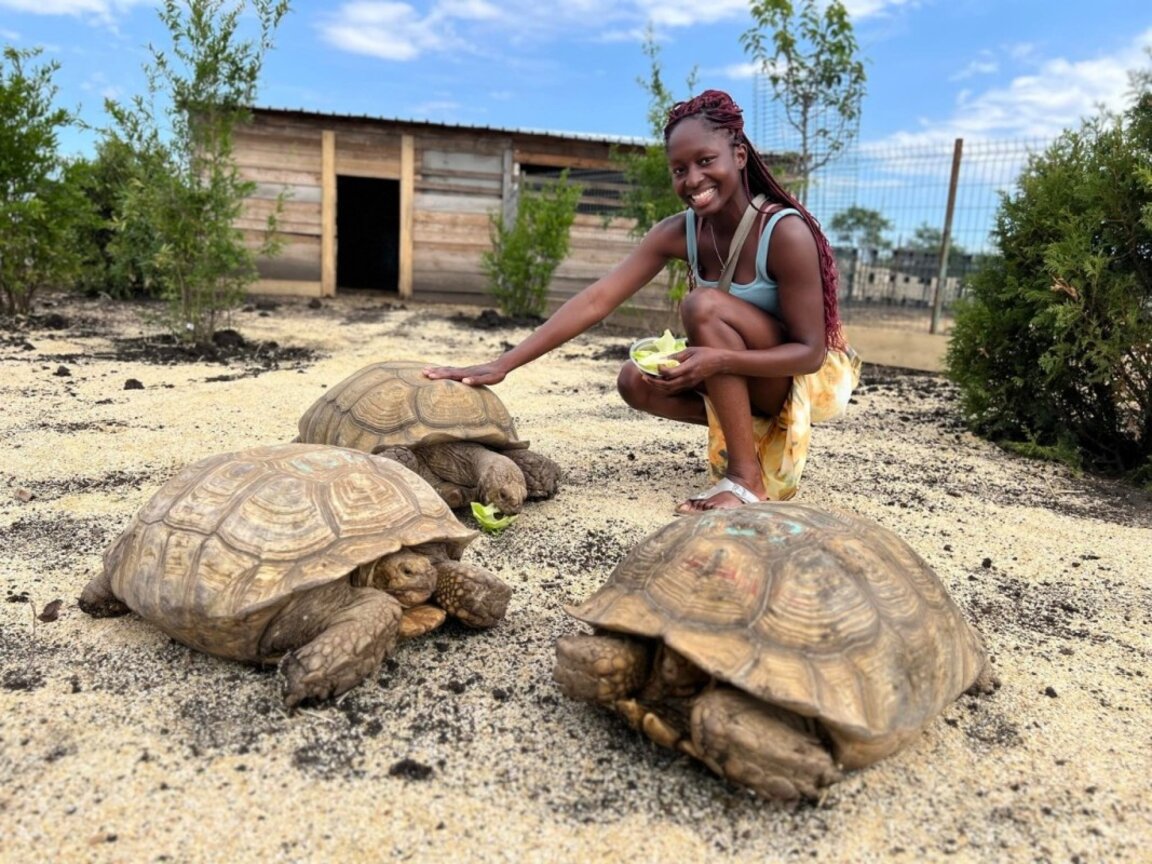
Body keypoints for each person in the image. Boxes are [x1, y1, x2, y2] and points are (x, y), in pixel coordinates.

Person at [425, 89, 860, 513]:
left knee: (702, 306)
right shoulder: (679, 231)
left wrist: (718, 361)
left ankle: (746, 480)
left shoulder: (784, 232)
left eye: (706, 161)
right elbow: (598, 299)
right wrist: (504, 363)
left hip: (790, 384)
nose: (693, 180)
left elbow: (809, 354)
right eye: (679, 169)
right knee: (634, 380)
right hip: (739, 373)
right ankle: (744, 437)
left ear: (740, 156)